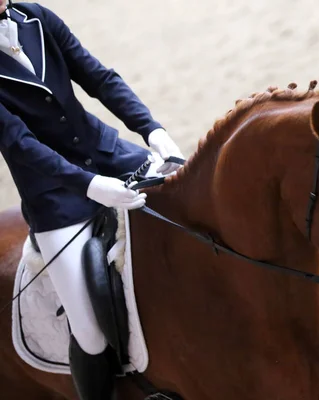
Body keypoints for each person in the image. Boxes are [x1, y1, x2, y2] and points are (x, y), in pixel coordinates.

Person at [0, 1, 184, 398]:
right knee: (89, 332)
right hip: (55, 196)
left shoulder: (35, 16)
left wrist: (151, 129)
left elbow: (98, 77)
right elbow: (20, 145)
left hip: (110, 154)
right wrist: (89, 185)